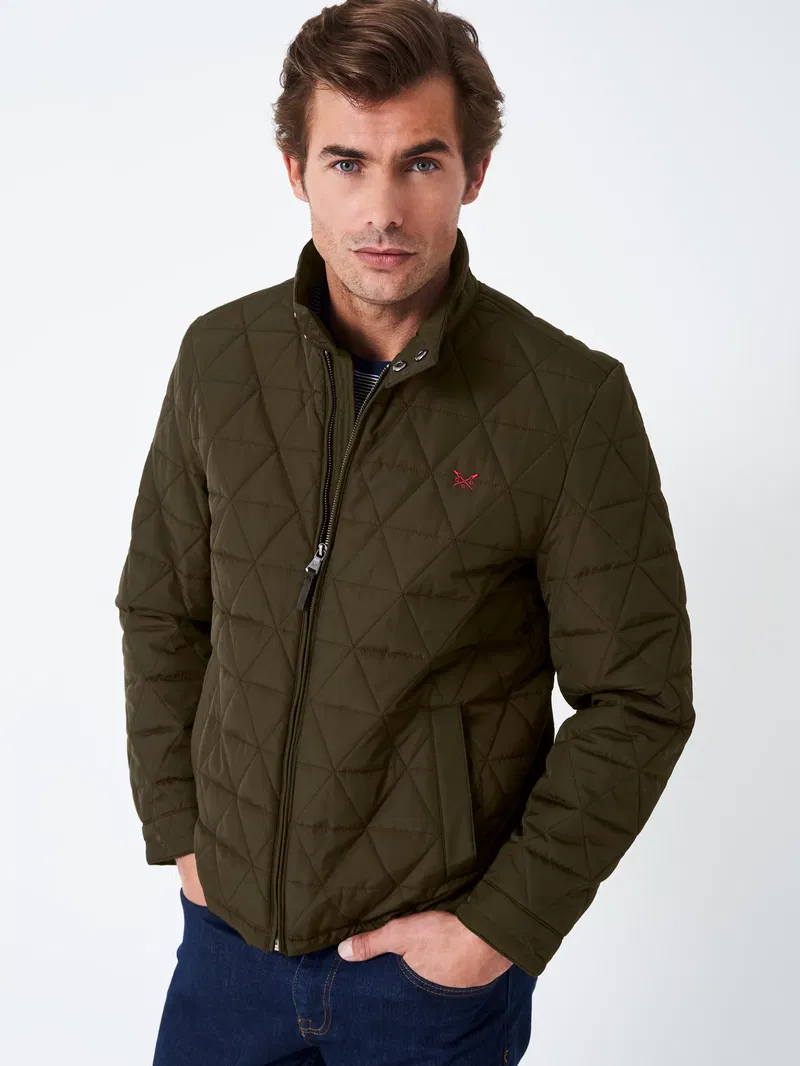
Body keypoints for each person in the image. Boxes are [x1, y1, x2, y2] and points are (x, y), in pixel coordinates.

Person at [114, 1, 696, 1062]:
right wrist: (182, 835)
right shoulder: (220, 360)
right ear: (295, 170)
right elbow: (162, 606)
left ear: (474, 174)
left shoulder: (568, 403)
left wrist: (496, 930)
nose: (382, 209)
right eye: (346, 163)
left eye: (421, 163)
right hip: (225, 955)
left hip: (421, 988)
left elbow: (638, 699)